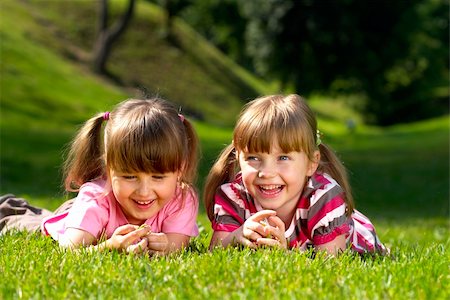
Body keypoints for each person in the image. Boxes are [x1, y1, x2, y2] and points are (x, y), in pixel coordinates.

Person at [0, 97, 200, 255]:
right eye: (129, 177)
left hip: (90, 216)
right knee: (33, 223)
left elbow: (177, 246)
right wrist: (108, 247)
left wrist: (164, 246)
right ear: (108, 169)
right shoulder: (95, 199)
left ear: (179, 171)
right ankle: (11, 208)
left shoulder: (182, 198)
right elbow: (69, 250)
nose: (144, 191)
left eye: (158, 177)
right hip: (80, 215)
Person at [204, 94, 387, 255]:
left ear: (311, 163)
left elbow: (331, 264)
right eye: (253, 158)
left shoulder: (324, 198)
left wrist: (284, 255)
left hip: (353, 243)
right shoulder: (234, 196)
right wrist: (236, 236)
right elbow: (215, 252)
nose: (267, 173)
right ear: (238, 158)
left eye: (283, 158)